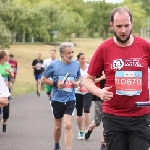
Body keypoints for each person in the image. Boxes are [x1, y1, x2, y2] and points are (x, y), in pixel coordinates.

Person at [83, 7, 150, 150]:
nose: (123, 30)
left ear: (132, 24)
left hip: (141, 116)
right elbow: (88, 79)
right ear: (111, 25)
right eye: (119, 26)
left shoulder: (144, 46)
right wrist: (99, 92)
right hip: (113, 116)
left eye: (127, 25)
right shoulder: (104, 48)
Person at [42, 42, 81, 150]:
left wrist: (78, 83)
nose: (71, 55)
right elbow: (44, 79)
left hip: (70, 98)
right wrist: (55, 84)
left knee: (68, 125)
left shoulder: (76, 64)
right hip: (57, 99)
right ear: (62, 54)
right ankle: (56, 145)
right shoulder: (54, 65)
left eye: (72, 52)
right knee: (58, 127)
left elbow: (79, 77)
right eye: (68, 53)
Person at [85, 74, 107, 150]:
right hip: (99, 97)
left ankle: (103, 144)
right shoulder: (99, 71)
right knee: (97, 122)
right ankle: (90, 127)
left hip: (110, 97)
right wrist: (101, 77)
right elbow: (91, 82)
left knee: (106, 121)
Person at [75, 53, 93, 140]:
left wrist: (87, 85)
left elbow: (92, 77)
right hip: (77, 92)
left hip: (87, 91)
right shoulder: (75, 68)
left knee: (86, 110)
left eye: (84, 58)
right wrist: (78, 85)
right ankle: (80, 130)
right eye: (81, 59)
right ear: (78, 59)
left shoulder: (89, 67)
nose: (83, 60)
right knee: (79, 112)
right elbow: (73, 79)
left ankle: (86, 130)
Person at [0, 50, 14, 132]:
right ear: (4, 56)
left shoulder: (7, 65)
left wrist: (9, 72)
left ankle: (4, 122)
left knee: (6, 113)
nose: (8, 56)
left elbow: (12, 76)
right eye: (7, 55)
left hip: (5, 91)